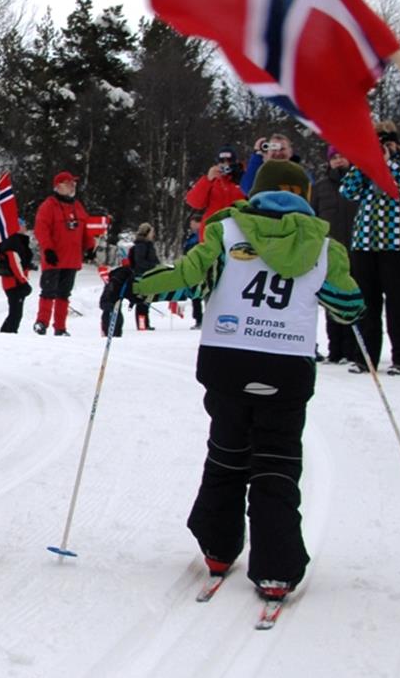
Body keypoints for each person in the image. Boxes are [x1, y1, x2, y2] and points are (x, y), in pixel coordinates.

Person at [132, 189, 364, 601]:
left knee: (226, 454)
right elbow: (348, 306)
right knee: (277, 463)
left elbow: (188, 280)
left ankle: (217, 548)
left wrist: (136, 285)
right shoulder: (326, 247)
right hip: (286, 366)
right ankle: (276, 568)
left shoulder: (225, 232)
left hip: (228, 361)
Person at [340, 120, 400, 375]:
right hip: (366, 241)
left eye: (384, 140)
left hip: (398, 242)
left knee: (399, 302)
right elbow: (348, 190)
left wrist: (388, 162)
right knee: (366, 302)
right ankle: (365, 357)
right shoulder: (364, 165)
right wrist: (366, 161)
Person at [33, 171, 96, 336]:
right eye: (69, 183)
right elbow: (42, 229)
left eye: (73, 183)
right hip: (54, 258)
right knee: (48, 291)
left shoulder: (78, 206)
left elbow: (86, 230)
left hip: (72, 259)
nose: (73, 186)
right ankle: (42, 322)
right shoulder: (48, 206)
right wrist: (47, 249)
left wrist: (90, 247)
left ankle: (60, 327)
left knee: (64, 294)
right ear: (58, 185)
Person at [311, 146, 358, 363]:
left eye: (342, 156)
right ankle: (336, 348)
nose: (339, 161)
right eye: (335, 157)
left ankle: (353, 348)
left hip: (357, 249)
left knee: (353, 298)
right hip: (330, 250)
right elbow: (314, 218)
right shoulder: (320, 187)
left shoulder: (359, 184)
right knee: (332, 299)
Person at [186, 146, 246, 234]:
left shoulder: (244, 178)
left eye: (230, 161)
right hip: (213, 232)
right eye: (222, 161)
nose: (226, 165)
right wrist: (207, 180)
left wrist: (241, 177)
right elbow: (194, 202)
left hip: (239, 230)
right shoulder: (212, 181)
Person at [0, 220, 34, 333]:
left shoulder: (16, 241)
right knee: (16, 313)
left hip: (15, 281)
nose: (25, 227)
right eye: (23, 225)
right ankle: (9, 333)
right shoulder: (12, 242)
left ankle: (7, 332)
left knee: (15, 312)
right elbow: (14, 263)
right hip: (14, 282)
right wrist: (23, 281)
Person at [241, 133, 305, 193]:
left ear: (290, 152)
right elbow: (248, 189)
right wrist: (257, 156)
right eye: (274, 149)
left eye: (282, 149)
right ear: (267, 152)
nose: (278, 153)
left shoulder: (299, 172)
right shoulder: (262, 172)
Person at [130, 223, 160, 331]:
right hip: (142, 276)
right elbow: (140, 261)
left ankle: (145, 323)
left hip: (149, 275)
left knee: (146, 301)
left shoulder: (148, 245)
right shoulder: (141, 245)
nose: (153, 234)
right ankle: (142, 324)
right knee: (142, 302)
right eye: (151, 232)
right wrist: (153, 266)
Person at [182, 215, 204, 328]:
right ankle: (199, 319)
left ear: (198, 223)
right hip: (192, 268)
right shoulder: (192, 237)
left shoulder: (201, 235)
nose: (191, 226)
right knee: (195, 296)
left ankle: (200, 319)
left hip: (199, 269)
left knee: (198, 295)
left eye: (192, 223)